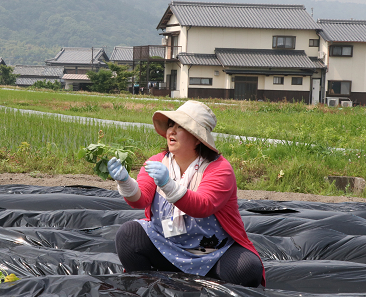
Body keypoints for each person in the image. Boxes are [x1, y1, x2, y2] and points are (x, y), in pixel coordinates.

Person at [107, 100, 265, 287]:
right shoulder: (158, 162)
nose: (171, 131)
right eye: (171, 125)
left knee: (247, 268)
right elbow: (140, 200)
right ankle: (148, 292)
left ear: (198, 138)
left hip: (211, 251)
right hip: (167, 245)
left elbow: (202, 206)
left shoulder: (219, 169)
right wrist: (125, 182)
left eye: (180, 127)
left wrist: (168, 185)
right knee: (128, 234)